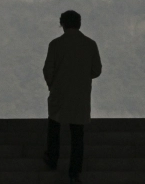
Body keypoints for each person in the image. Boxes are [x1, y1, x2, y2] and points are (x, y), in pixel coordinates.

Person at [42, 10, 102, 184]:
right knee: (77, 134)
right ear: (79, 24)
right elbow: (96, 70)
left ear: (63, 24)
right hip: (80, 94)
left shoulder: (55, 45)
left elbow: (48, 70)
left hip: (59, 92)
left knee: (54, 125)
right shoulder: (90, 44)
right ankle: (74, 173)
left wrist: (52, 85)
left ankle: (52, 159)